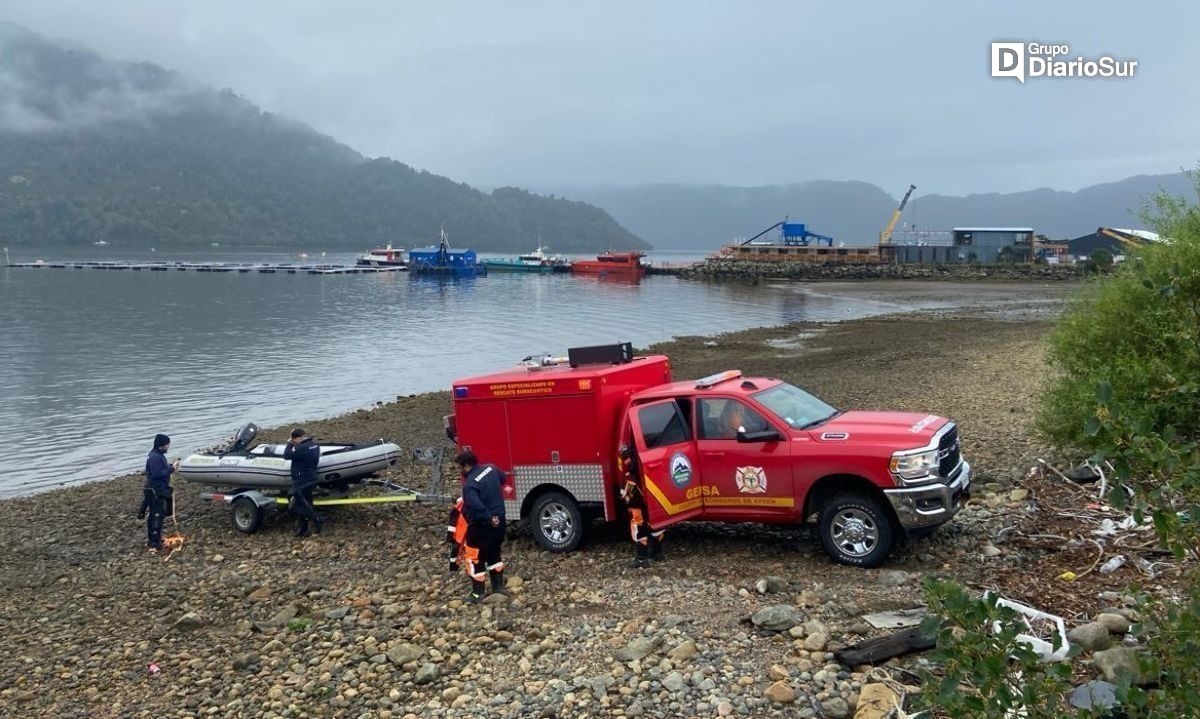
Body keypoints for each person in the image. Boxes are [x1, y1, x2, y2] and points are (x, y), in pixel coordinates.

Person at [455, 450, 506, 603]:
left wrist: (489, 518)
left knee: (474, 557)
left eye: (460, 468)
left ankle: (478, 593)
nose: (460, 471)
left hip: (481, 526)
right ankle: (498, 587)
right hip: (500, 521)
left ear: (467, 465)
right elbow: (502, 479)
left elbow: (476, 506)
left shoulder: (469, 485)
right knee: (494, 553)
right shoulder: (492, 468)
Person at [618, 443, 664, 568]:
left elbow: (626, 497)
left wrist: (624, 500)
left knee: (638, 529)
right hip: (654, 505)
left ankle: (641, 559)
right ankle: (657, 553)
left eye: (626, 458)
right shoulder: (648, 468)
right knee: (657, 526)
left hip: (638, 507)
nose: (626, 461)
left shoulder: (629, 477)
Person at [141, 433, 179, 551]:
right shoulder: (154, 457)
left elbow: (160, 468)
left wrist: (169, 466)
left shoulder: (158, 455)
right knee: (156, 515)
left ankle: (156, 538)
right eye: (167, 445)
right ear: (160, 445)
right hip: (155, 490)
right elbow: (157, 474)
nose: (168, 447)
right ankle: (154, 542)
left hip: (159, 488)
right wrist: (171, 469)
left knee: (159, 514)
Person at [284, 428, 323, 537]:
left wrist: (289, 444)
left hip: (301, 479)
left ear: (296, 438)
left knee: (293, 500)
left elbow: (286, 455)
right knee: (307, 502)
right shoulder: (315, 445)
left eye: (293, 440)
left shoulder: (300, 448)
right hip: (312, 477)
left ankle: (317, 518)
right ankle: (304, 529)